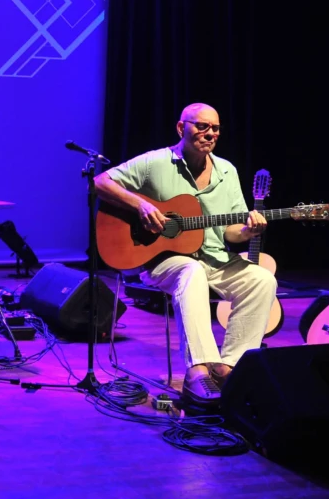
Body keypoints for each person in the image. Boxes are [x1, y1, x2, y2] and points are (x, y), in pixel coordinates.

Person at [94, 103, 276, 407]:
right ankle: (198, 370)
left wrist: (248, 231)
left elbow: (231, 231)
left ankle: (229, 368)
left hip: (215, 258)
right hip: (164, 260)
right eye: (201, 126)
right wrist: (141, 205)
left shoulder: (227, 171)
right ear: (181, 128)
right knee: (192, 272)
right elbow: (101, 182)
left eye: (215, 128)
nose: (210, 133)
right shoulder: (155, 162)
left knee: (262, 279)